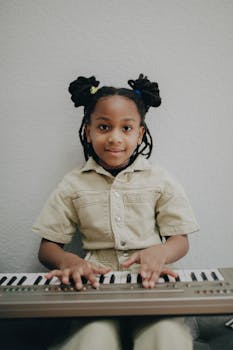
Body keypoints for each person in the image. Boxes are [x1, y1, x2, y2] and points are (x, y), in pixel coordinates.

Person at [33, 74, 200, 350]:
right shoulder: (72, 184)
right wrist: (67, 261)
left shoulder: (159, 179)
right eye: (103, 127)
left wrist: (162, 252)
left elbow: (180, 240)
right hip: (95, 287)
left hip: (152, 284)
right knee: (92, 339)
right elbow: (47, 247)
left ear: (140, 133)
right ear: (88, 131)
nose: (114, 138)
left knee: (166, 336)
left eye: (126, 128)